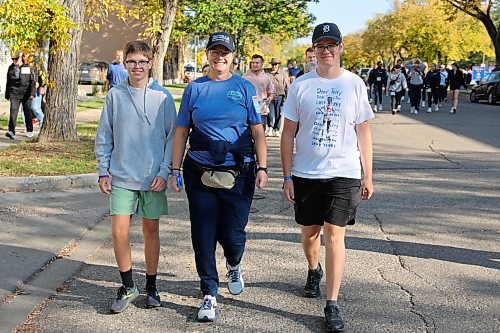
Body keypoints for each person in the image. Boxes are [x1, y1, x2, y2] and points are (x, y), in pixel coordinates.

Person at [280, 22, 374, 333]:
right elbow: (287, 134)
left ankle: (332, 303)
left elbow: (363, 132)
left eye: (331, 44)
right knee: (310, 235)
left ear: (340, 48)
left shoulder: (354, 84)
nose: (326, 50)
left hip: (343, 173)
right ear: (314, 50)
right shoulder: (301, 85)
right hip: (306, 173)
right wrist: (287, 176)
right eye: (320, 45)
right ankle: (313, 268)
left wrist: (367, 174)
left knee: (335, 236)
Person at [169, 31, 268, 322]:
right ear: (208, 55)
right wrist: (175, 169)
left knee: (233, 234)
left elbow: (257, 130)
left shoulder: (244, 88)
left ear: (232, 57)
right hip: (199, 171)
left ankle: (234, 263)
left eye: (225, 52)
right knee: (203, 234)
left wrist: (262, 167)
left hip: (239, 172)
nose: (219, 56)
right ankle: (209, 292)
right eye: (215, 51)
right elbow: (181, 131)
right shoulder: (195, 89)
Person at [95, 41, 177, 313]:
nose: (137, 67)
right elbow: (104, 135)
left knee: (150, 231)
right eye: (132, 62)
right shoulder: (115, 95)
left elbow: (171, 138)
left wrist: (165, 171)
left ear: (150, 63)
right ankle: (128, 285)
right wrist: (103, 170)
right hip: (121, 175)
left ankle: (152, 285)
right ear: (125, 64)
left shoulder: (162, 96)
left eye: (143, 61)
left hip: (152, 177)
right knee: (119, 231)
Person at [5, 51, 36, 140]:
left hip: (26, 93)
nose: (14, 61)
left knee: (27, 112)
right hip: (14, 93)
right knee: (13, 112)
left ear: (21, 58)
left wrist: (32, 93)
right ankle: (11, 131)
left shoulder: (27, 67)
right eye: (12, 59)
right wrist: (7, 94)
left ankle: (29, 130)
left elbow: (32, 82)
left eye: (16, 59)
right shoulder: (11, 68)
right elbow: (8, 81)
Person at [243, 54, 275, 135]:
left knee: (260, 135)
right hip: (247, 110)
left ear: (262, 64)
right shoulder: (245, 76)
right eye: (253, 63)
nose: (254, 65)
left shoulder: (267, 78)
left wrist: (269, 98)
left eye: (257, 63)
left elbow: (271, 92)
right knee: (247, 135)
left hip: (262, 110)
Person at [268, 57, 290, 137]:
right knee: (270, 113)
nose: (274, 66)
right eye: (273, 64)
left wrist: (288, 95)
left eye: (275, 64)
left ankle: (276, 129)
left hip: (280, 95)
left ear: (278, 65)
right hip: (270, 96)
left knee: (279, 114)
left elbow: (287, 84)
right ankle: (270, 127)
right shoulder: (267, 73)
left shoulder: (283, 73)